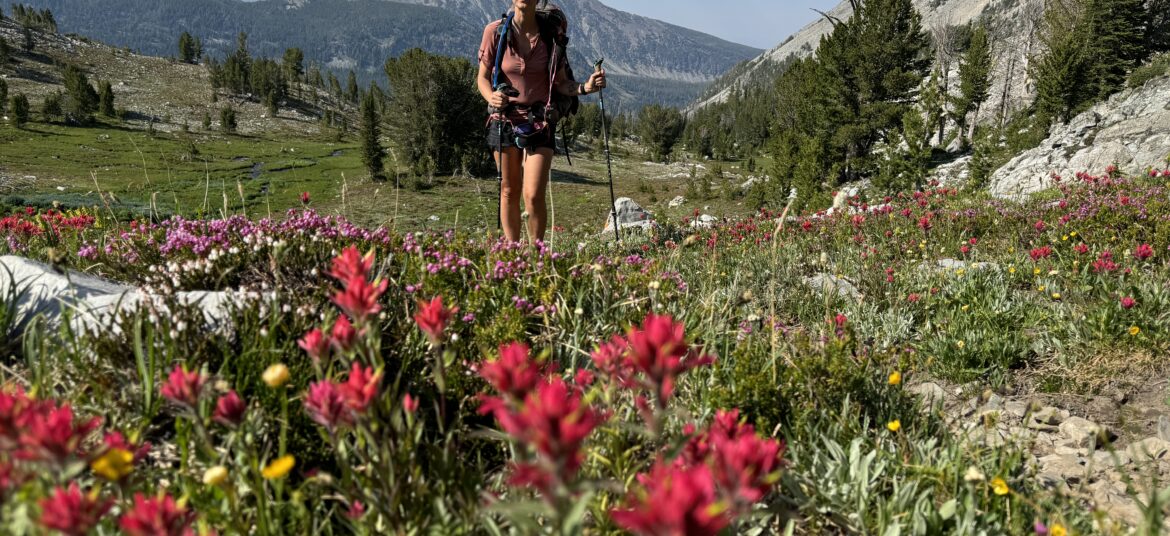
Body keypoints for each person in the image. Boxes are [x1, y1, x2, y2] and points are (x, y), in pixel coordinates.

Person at [477, 0, 607, 243]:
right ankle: (513, 255)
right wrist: (491, 96)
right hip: (503, 119)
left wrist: (585, 88)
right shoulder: (495, 32)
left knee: (533, 194)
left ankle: (536, 257)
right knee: (508, 191)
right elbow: (482, 79)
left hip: (541, 120)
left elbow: (560, 83)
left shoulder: (551, 36)